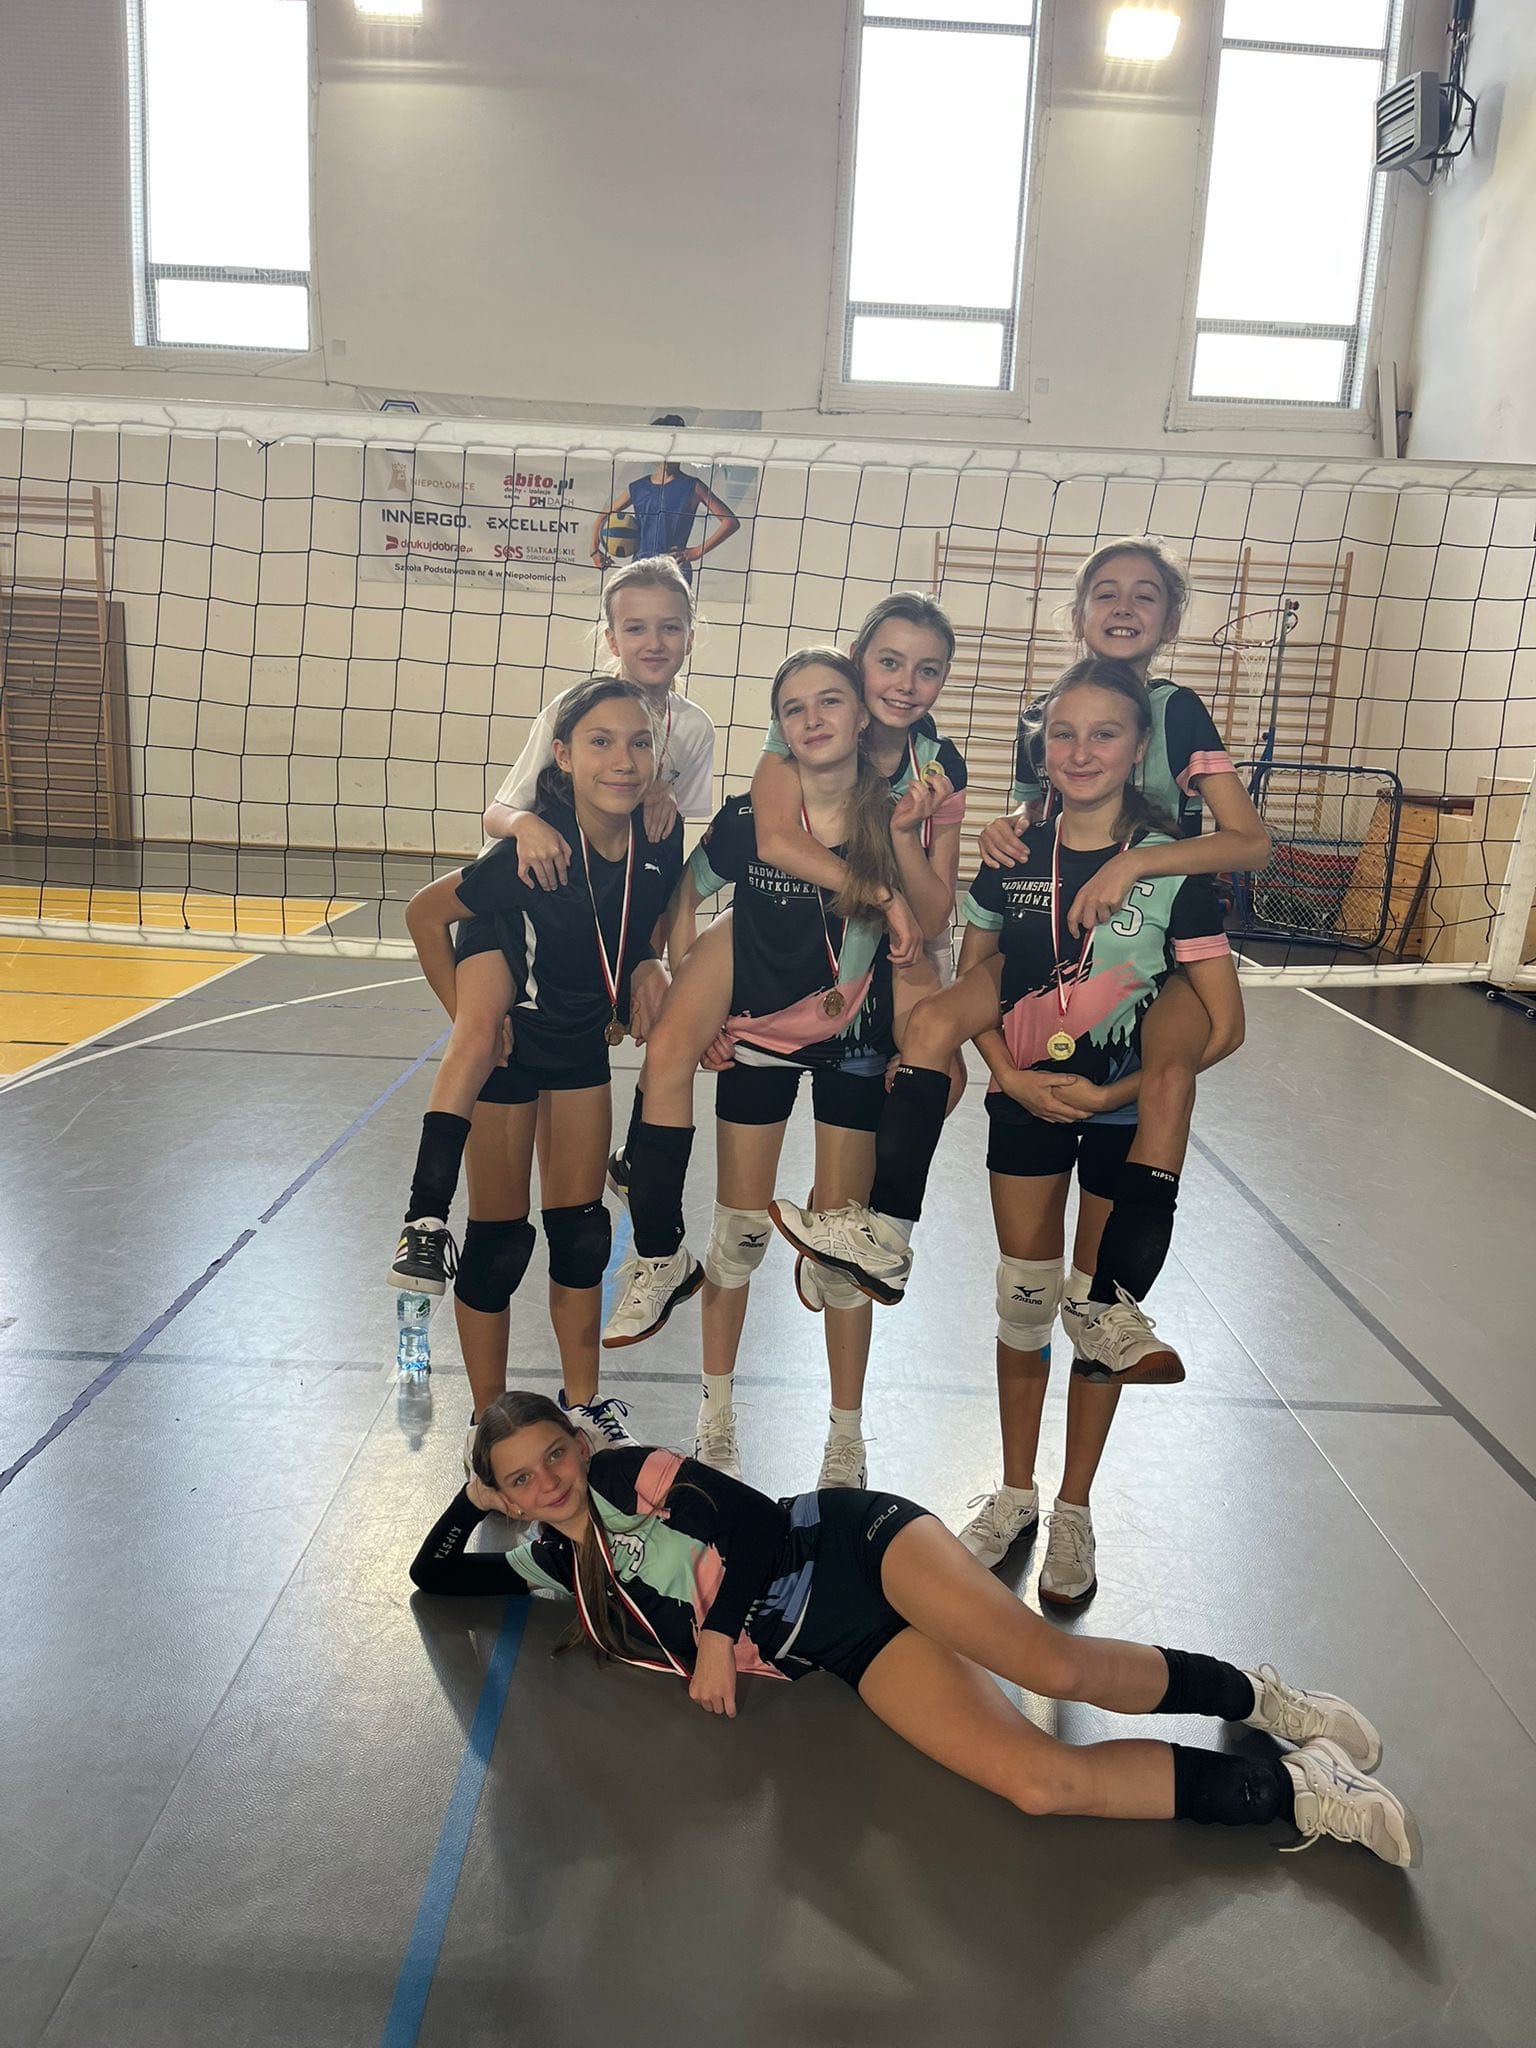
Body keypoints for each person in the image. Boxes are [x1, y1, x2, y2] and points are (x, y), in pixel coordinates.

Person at [409, 1392, 1421, 1868]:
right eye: (520, 1479)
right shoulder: (558, 1566)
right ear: (508, 1496)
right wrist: (469, 1495)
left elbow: (754, 1523)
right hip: (844, 1646)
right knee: (1038, 1784)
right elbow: (437, 1574)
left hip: (856, 1546)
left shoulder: (632, 1475)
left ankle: (1260, 1697)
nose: (548, 1481)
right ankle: (1298, 1790)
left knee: (1049, 1662)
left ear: (577, 1443)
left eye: (554, 1454)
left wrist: (716, 1637)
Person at [770, 659, 1244, 1602]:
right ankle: (1017, 1492)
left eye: (1104, 734)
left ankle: (1075, 1511)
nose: (1080, 751)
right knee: (1024, 1305)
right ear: (1042, 748)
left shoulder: (1173, 866)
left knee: (1097, 1314)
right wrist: (1012, 1075)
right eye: (1063, 734)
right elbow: (976, 978)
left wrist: (1112, 1098)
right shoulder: (1014, 848)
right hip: (1023, 1097)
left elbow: (1222, 1028)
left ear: (1138, 750)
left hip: (1119, 1108)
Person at [602, 594, 965, 1346]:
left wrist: (902, 858)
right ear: (858, 667)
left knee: (945, 1077)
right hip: (781, 919)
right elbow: (770, 839)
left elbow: (933, 915)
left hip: (884, 940)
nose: (905, 684)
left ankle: (848, 1225)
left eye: (927, 670)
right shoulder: (804, 732)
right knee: (672, 1048)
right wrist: (681, 976)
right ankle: (655, 1236)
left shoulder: (934, 766)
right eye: (889, 663)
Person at [973, 536, 1272, 1353]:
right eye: (1106, 592)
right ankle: (884, 1218)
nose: (1124, 607)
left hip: (1160, 945)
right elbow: (1034, 819)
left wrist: (1138, 861)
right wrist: (1005, 827)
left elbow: (1250, 841)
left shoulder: (1175, 709)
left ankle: (1115, 1303)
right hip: (1061, 948)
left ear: (1171, 620)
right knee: (944, 1011)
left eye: (1146, 594)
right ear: (1078, 615)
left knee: (1169, 1075)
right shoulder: (1048, 712)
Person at [390, 678, 682, 1459]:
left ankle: (583, 1406)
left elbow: (644, 921)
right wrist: (470, 1024)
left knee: (582, 1237)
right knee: (498, 1243)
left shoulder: (660, 833)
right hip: (515, 1044)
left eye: (639, 743)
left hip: (580, 1040)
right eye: (600, 742)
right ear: (563, 756)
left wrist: (647, 965)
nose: (623, 761)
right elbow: (424, 914)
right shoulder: (534, 849)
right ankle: (488, 1422)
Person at [654, 650, 923, 1490]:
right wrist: (695, 987)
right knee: (737, 1239)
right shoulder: (750, 818)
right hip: (760, 1039)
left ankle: (845, 1438)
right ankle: (716, 1417)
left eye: (830, 701)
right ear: (780, 727)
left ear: (862, 715)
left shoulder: (894, 816)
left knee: (842, 1252)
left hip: (855, 1042)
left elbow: (932, 925)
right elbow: (682, 896)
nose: (813, 718)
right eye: (794, 707)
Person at [482, 555, 715, 892]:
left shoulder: (695, 727)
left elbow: (666, 834)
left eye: (670, 627)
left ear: (689, 638)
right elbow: (496, 815)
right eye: (635, 628)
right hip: (529, 885)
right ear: (612, 640)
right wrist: (524, 823)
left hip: (609, 892)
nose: (654, 643)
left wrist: (666, 790)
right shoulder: (570, 710)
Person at [591, 460, 740, 583]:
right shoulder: (637, 488)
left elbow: (730, 522)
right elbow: (603, 515)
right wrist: (594, 550)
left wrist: (696, 552)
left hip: (674, 570)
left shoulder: (693, 486)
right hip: (641, 568)